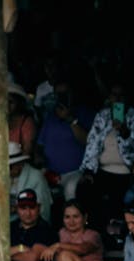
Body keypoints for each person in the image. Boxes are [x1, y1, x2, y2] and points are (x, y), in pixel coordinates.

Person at [76, 78, 134, 236]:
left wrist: (124, 131)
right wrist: (88, 171)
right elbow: (92, 143)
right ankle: (95, 236)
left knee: (120, 198)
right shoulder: (103, 115)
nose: (118, 99)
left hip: (126, 172)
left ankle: (118, 237)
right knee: (85, 190)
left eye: (122, 95)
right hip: (102, 170)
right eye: (114, 95)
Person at [34, 77, 93, 206]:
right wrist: (39, 156)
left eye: (65, 94)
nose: (61, 97)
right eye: (58, 94)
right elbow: (39, 144)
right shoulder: (50, 116)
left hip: (75, 172)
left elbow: (89, 143)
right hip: (50, 173)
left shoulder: (84, 113)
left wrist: (70, 119)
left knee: (71, 190)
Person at [8, 141, 53, 224]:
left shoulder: (36, 177)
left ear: (20, 164)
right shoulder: (3, 177)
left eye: (10, 167)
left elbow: (43, 209)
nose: (7, 170)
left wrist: (15, 209)